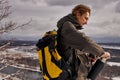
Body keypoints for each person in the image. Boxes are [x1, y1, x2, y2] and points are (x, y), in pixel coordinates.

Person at [56, 4, 110, 80]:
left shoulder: (69, 29)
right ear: (78, 14)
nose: (86, 22)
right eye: (85, 18)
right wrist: (102, 53)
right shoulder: (67, 27)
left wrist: (87, 57)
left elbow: (71, 54)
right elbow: (85, 42)